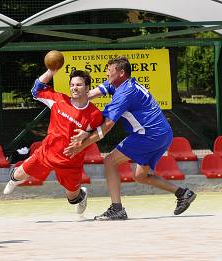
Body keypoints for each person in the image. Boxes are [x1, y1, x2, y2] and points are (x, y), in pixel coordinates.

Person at [63, 56, 196, 220]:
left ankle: (117, 208)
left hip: (149, 135)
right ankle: (183, 193)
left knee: (109, 161)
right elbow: (89, 94)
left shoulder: (124, 93)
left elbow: (107, 126)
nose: (106, 74)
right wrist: (68, 104)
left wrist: (81, 145)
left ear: (121, 72)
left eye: (109, 70)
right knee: (140, 176)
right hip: (163, 134)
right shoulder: (123, 84)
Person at [3, 68, 103, 215]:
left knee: (72, 198)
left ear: (87, 88)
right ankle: (14, 180)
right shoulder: (59, 100)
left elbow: (100, 132)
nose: (74, 88)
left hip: (71, 161)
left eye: (79, 85)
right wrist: (51, 71)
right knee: (17, 175)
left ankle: (82, 196)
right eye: (72, 85)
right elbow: (36, 90)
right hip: (47, 153)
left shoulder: (94, 114)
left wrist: (86, 133)